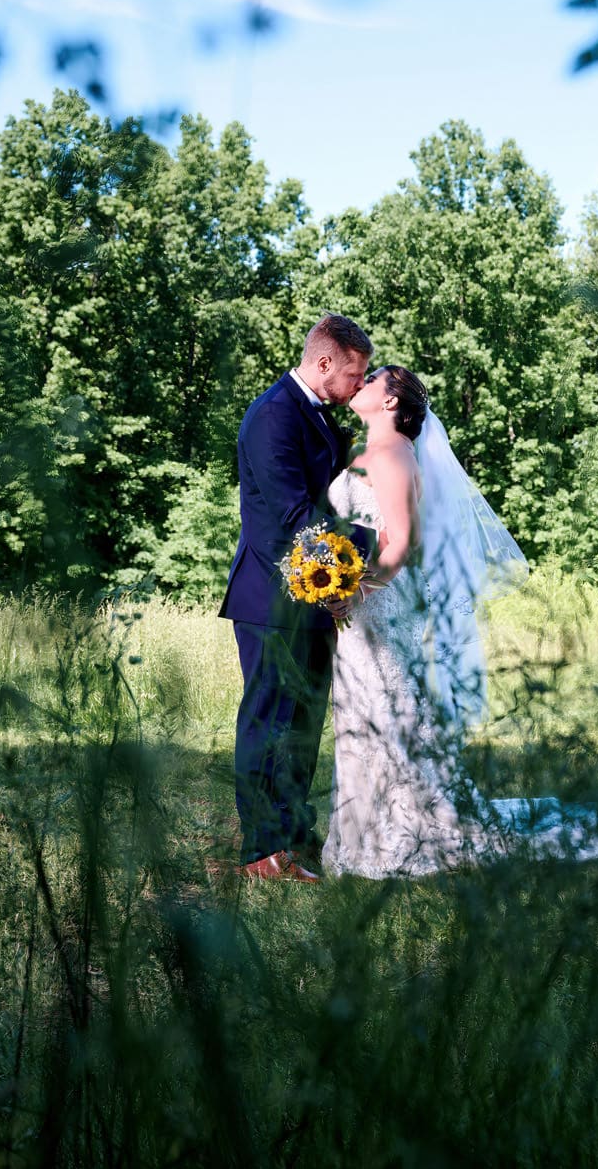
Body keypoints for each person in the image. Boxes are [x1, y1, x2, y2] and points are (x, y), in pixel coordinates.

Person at [320, 364, 598, 879]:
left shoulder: (395, 454)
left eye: (372, 379)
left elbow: (405, 542)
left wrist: (355, 586)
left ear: (393, 401)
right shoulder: (359, 453)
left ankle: (404, 831)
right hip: (358, 607)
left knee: (387, 708)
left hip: (378, 603)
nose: (362, 384)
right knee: (363, 711)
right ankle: (360, 835)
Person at [219, 314, 374, 883]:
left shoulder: (320, 416)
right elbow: (291, 519)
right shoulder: (272, 415)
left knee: (304, 724)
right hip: (269, 599)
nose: (359, 385)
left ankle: (292, 833)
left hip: (315, 596)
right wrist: (373, 547)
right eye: (354, 374)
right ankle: (261, 850)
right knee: (267, 722)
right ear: (324, 362)